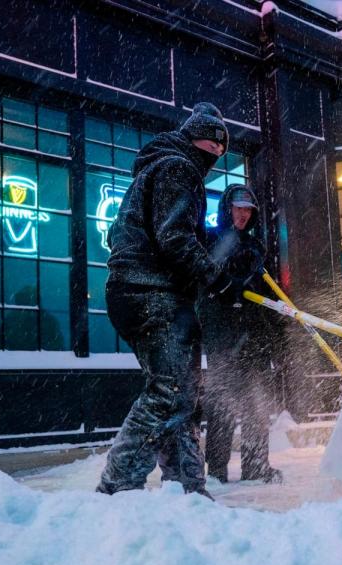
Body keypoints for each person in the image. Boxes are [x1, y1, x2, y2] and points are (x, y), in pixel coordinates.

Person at [96, 103, 243, 498]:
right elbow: (174, 237)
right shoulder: (177, 169)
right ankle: (118, 485)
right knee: (171, 390)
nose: (213, 154)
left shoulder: (157, 169)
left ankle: (188, 489)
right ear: (193, 137)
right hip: (152, 293)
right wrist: (215, 277)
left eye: (220, 150)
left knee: (179, 393)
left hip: (137, 292)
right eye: (210, 144)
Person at [199, 184, 283, 485]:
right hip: (224, 338)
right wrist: (227, 289)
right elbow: (206, 287)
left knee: (257, 405)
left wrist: (277, 335)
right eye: (238, 208)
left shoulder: (256, 247)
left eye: (248, 209)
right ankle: (217, 472)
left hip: (255, 338)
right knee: (221, 406)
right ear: (227, 209)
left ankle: (257, 466)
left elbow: (266, 293)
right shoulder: (211, 242)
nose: (244, 214)